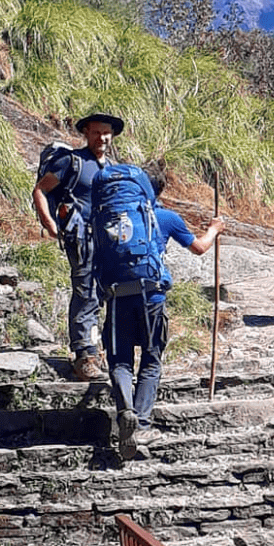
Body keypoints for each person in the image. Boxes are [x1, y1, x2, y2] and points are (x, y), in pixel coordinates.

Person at [104, 160, 224, 461]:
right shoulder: (166, 217)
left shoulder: (112, 216)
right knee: (151, 358)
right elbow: (199, 248)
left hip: (118, 295)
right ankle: (141, 424)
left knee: (120, 361)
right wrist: (214, 229)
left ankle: (125, 412)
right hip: (152, 297)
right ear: (160, 189)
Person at [32, 111, 122, 381]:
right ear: (86, 134)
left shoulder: (114, 169)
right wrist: (49, 224)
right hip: (81, 239)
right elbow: (40, 189)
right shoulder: (72, 162)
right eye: (96, 132)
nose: (102, 138)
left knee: (105, 295)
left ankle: (98, 351)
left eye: (106, 133)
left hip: (108, 242)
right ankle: (84, 356)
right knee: (86, 293)